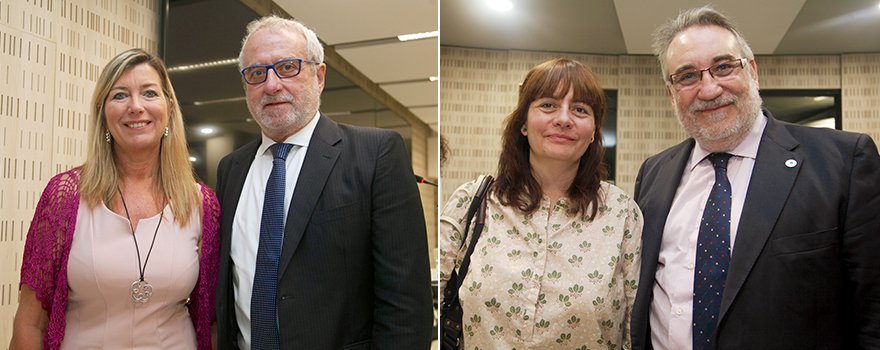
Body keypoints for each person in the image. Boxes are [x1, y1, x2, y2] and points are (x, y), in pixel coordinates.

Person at [632, 6, 880, 350]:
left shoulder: (844, 162)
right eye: (687, 76)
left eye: (723, 67)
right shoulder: (653, 173)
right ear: (671, 93)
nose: (708, 89)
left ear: (752, 72)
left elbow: (873, 313)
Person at [214, 15, 433, 350]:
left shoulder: (376, 154)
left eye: (287, 67)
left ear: (319, 76)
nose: (271, 85)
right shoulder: (232, 168)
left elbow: (405, 305)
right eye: (257, 73)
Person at [9, 48, 220, 350]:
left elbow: (210, 321)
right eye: (120, 95)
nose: (136, 106)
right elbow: (31, 322)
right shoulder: (65, 196)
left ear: (169, 108)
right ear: (102, 111)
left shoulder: (201, 204)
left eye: (149, 93)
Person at [439, 58, 643, 349]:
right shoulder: (470, 202)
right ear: (523, 123)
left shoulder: (622, 214)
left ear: (594, 131)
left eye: (580, 109)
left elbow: (632, 331)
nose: (563, 119)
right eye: (548, 105)